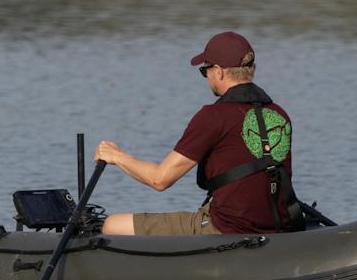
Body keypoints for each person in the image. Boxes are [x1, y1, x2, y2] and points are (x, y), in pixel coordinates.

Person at [94, 31, 306, 236]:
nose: (206, 77)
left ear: (219, 71)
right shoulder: (279, 114)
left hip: (227, 228)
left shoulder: (213, 116)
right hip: (278, 224)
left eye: (205, 70)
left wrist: (116, 156)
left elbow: (160, 179)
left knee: (113, 225)